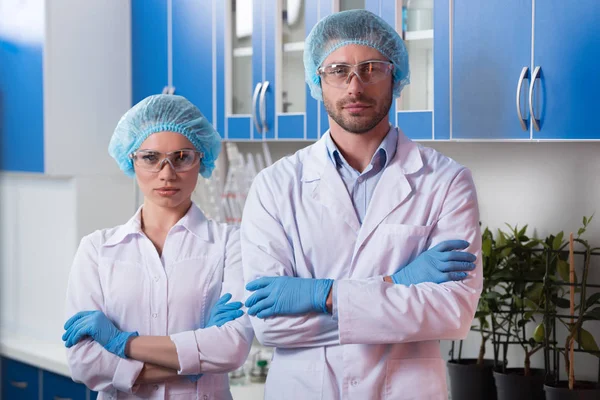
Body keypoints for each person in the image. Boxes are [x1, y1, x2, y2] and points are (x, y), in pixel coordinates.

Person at [241, 9, 482, 400]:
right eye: (338, 70)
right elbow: (269, 327)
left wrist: (320, 295)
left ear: (396, 76)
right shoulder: (274, 185)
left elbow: (452, 313)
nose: (355, 86)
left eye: (371, 68)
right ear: (317, 81)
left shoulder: (447, 181)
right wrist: (398, 284)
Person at [63, 95, 254, 399]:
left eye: (181, 157)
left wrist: (121, 344)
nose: (167, 173)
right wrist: (197, 359)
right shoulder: (98, 250)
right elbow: (84, 364)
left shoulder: (231, 244)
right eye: (151, 158)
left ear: (201, 159)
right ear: (131, 160)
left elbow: (232, 349)